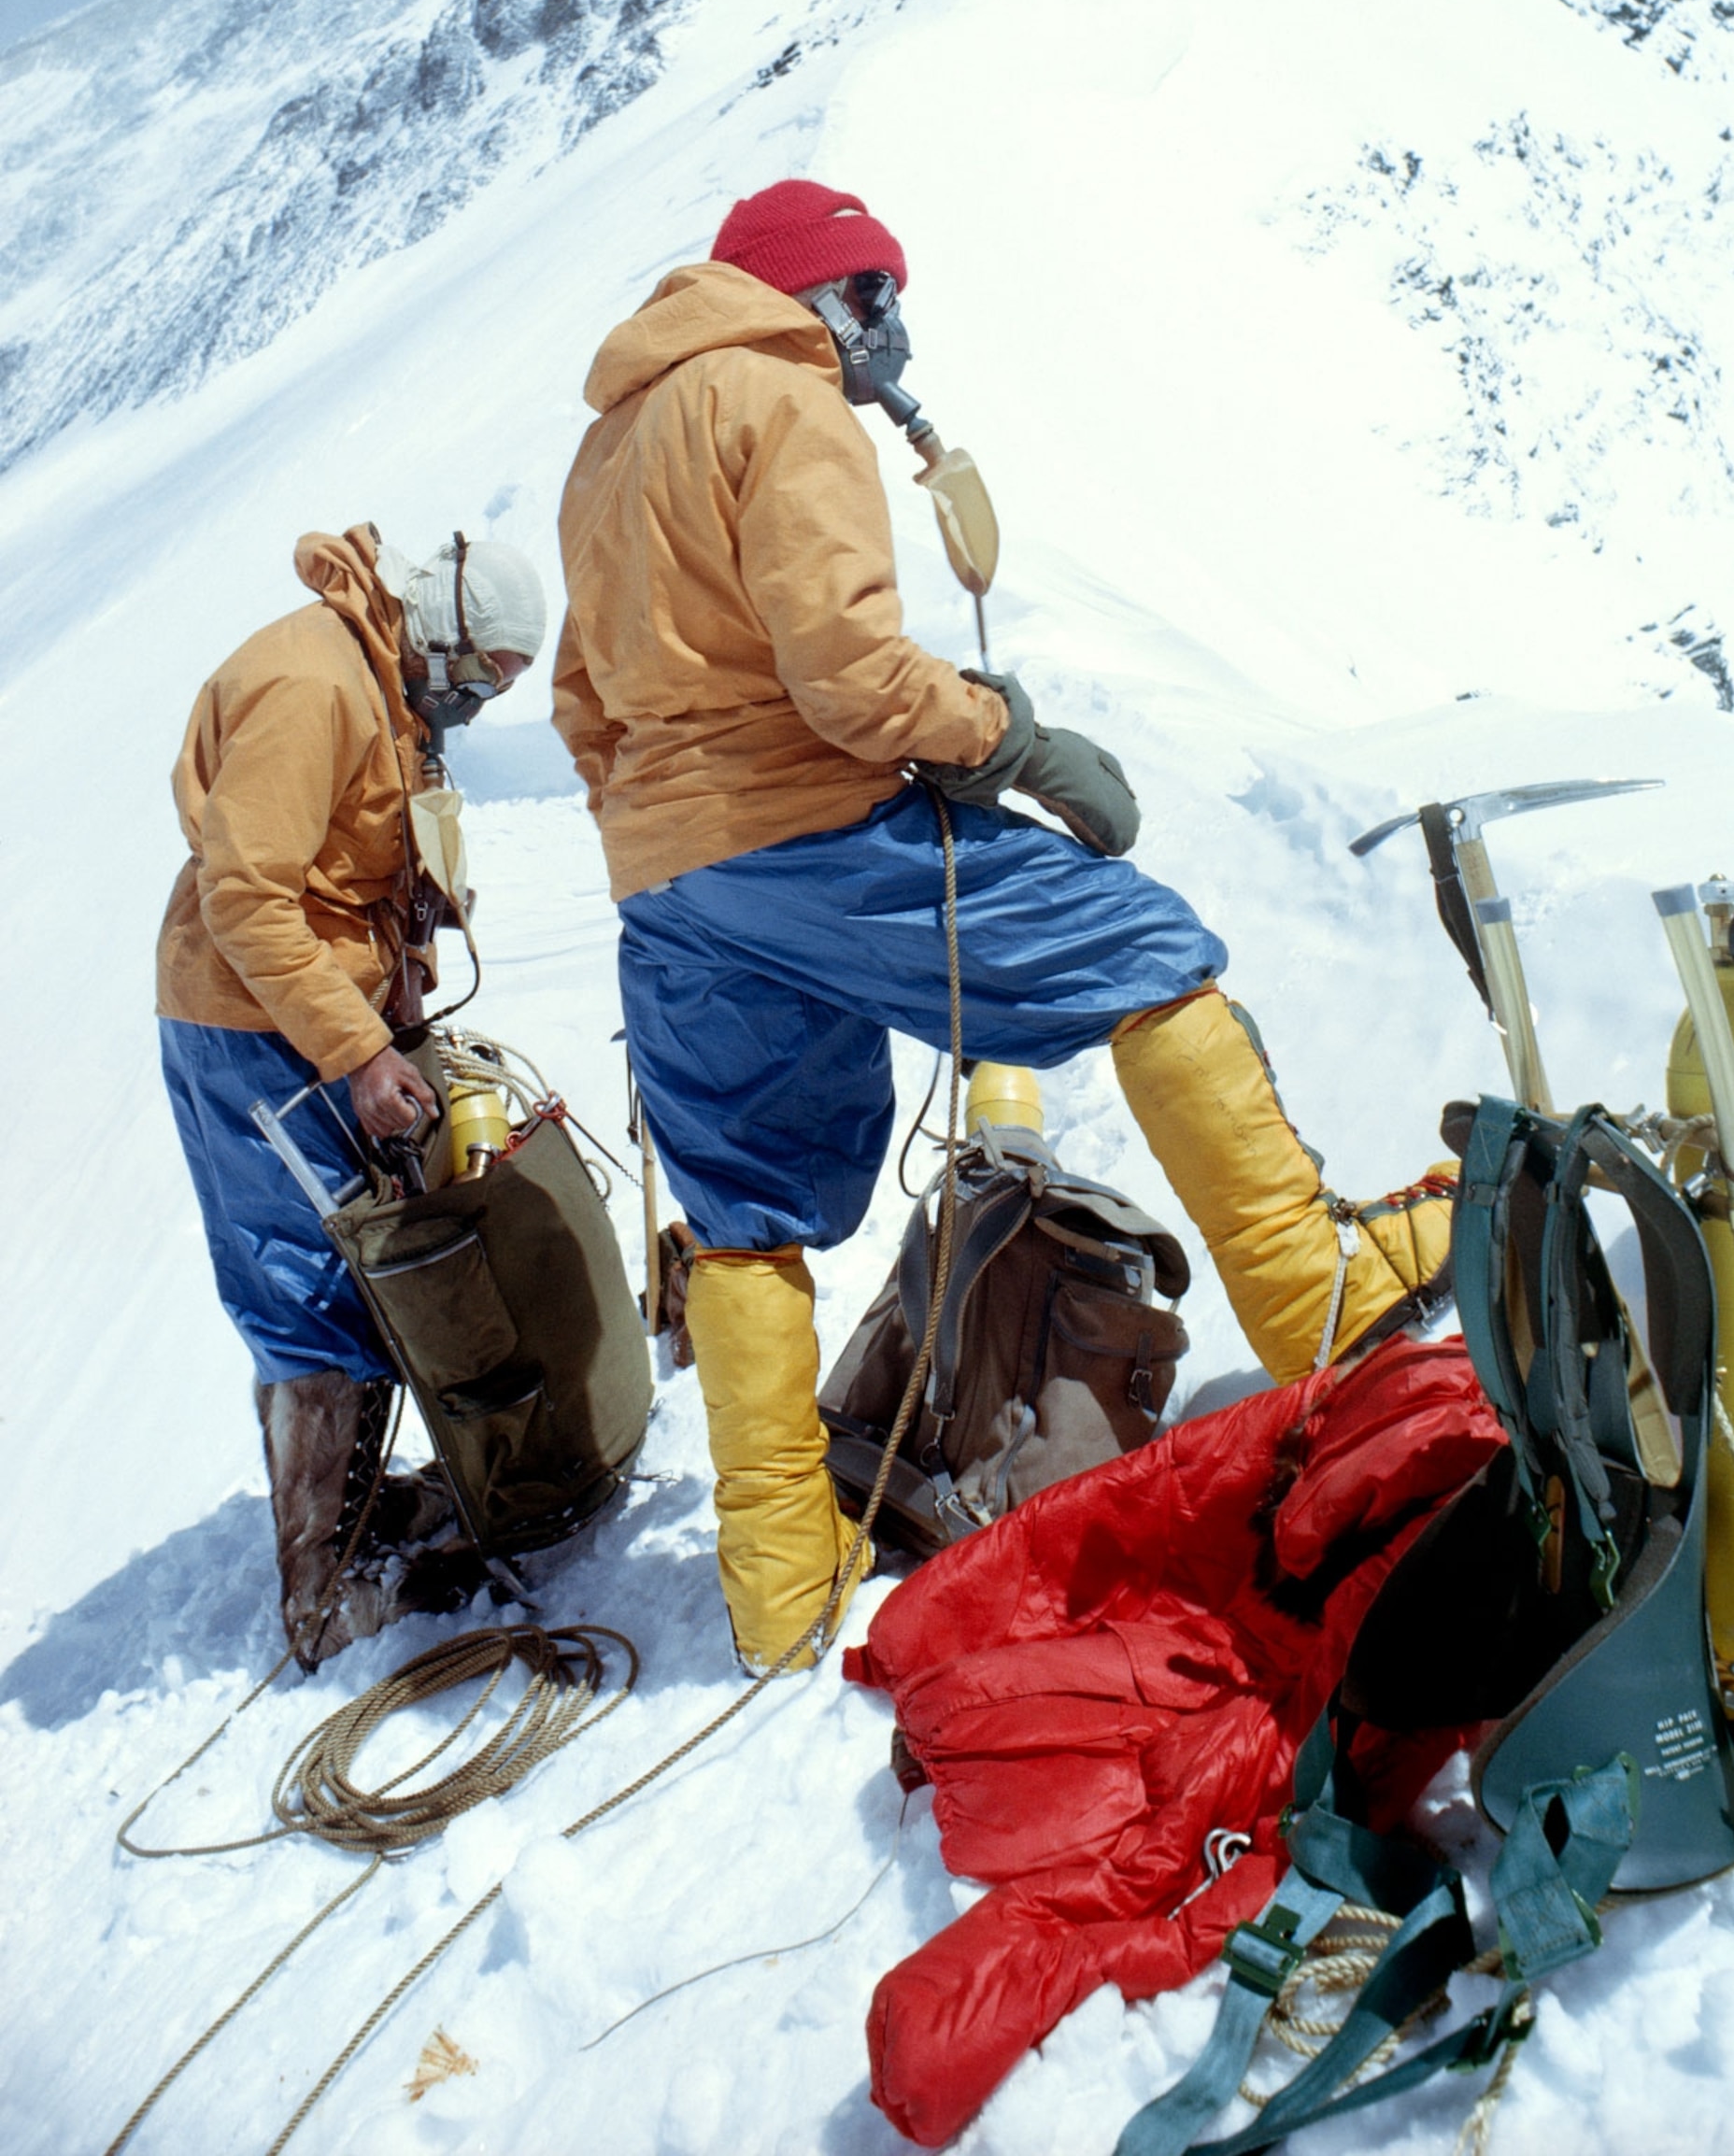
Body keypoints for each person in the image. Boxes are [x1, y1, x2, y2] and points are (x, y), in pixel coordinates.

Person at [553, 180, 1451, 1674]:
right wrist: (1008, 742)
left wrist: (673, 831)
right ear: (824, 293)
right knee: (1146, 949)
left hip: (668, 879)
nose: (893, 330)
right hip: (811, 830)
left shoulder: (607, 448)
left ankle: (783, 1585)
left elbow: (582, 705)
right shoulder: (782, 402)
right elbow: (846, 672)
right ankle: (1308, 1283)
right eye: (878, 293)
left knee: (741, 1207)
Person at [157, 522, 546, 1664]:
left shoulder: (387, 690)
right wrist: (359, 1054)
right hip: (248, 1025)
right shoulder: (309, 685)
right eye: (479, 678)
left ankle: (363, 1510)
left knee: (365, 1257)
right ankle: (322, 1593)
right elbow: (249, 899)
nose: (473, 706)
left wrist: (404, 1015)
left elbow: (362, 873)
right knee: (307, 1279)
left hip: (318, 1018)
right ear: (443, 633)